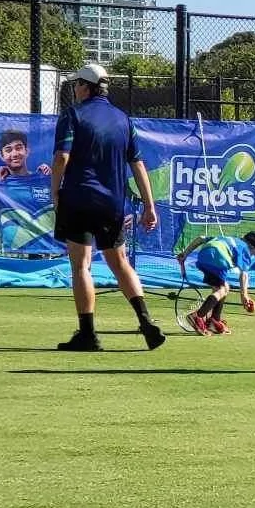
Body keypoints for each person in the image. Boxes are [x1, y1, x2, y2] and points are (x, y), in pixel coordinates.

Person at [49, 64, 165, 353]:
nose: (75, 89)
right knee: (120, 263)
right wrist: (149, 206)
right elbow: (138, 164)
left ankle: (87, 335)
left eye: (77, 84)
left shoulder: (73, 115)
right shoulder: (123, 119)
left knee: (81, 266)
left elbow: (62, 157)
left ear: (86, 87)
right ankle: (146, 322)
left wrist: (55, 191)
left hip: (78, 199)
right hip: (112, 204)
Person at [176, 228, 255, 334]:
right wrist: (244, 295)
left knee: (224, 287)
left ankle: (214, 320)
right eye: (254, 253)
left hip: (203, 256)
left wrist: (185, 254)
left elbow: (200, 239)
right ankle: (197, 316)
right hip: (218, 258)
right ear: (252, 247)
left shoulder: (228, 239)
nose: (252, 255)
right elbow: (244, 274)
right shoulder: (245, 249)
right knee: (222, 290)